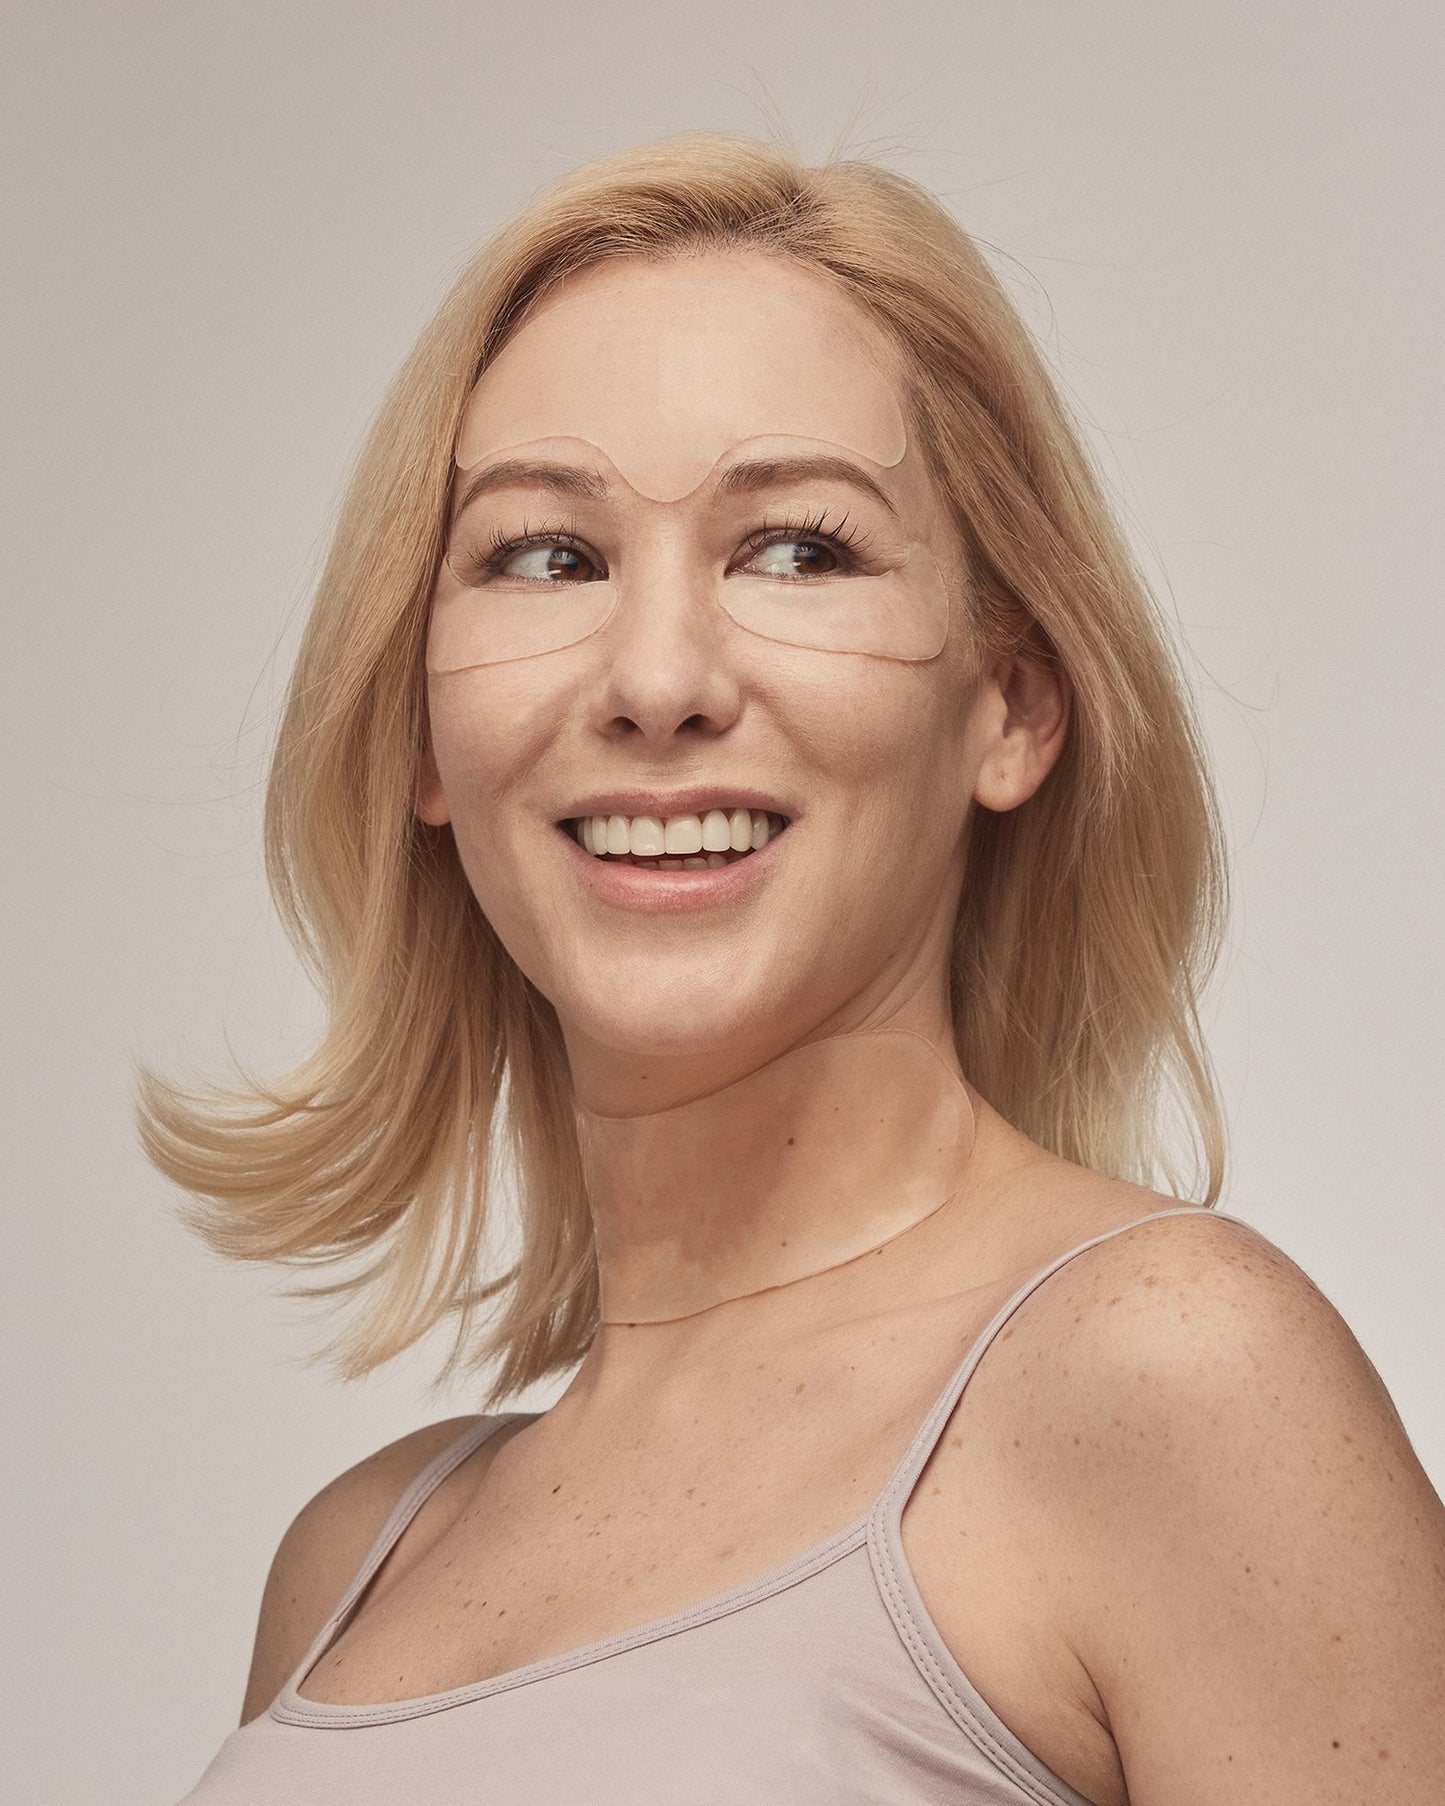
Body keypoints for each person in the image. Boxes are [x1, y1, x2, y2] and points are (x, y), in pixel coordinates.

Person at [145, 135, 1445, 1805]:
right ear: (419, 733)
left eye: (797, 549)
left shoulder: (1172, 1374)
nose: (656, 676)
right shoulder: (350, 1565)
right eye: (545, 554)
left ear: (1010, 705)